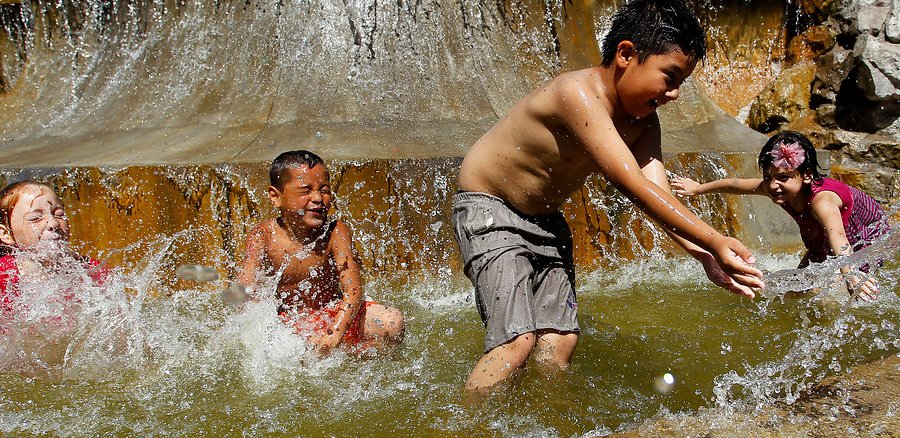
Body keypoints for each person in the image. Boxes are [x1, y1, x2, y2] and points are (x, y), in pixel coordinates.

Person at [452, 0, 764, 392]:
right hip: (490, 208)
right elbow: (631, 183)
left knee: (560, 341)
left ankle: (543, 427)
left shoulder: (643, 124)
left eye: (681, 82)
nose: (675, 94)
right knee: (517, 340)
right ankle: (464, 437)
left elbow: (659, 194)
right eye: (669, 77)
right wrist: (715, 240)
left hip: (545, 220)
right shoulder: (576, 93)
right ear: (626, 54)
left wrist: (703, 256)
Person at [672, 130, 891, 302]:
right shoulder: (777, 188)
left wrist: (851, 274)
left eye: (783, 177)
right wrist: (698, 188)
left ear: (806, 176)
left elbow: (841, 241)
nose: (773, 185)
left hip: (863, 236)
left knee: (832, 292)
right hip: (821, 239)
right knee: (797, 288)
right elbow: (736, 184)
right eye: (767, 177)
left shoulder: (822, 202)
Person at [238, 150, 404, 355]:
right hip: (287, 322)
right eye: (305, 190)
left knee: (390, 321)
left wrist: (334, 334)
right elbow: (246, 291)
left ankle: (358, 366)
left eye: (324, 189)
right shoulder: (263, 235)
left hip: (332, 314)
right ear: (275, 196)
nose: (317, 198)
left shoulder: (335, 231)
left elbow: (353, 292)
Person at [0, 180, 106, 311]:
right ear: (6, 234)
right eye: (35, 218)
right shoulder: (4, 275)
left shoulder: (91, 270)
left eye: (59, 214)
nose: (53, 223)